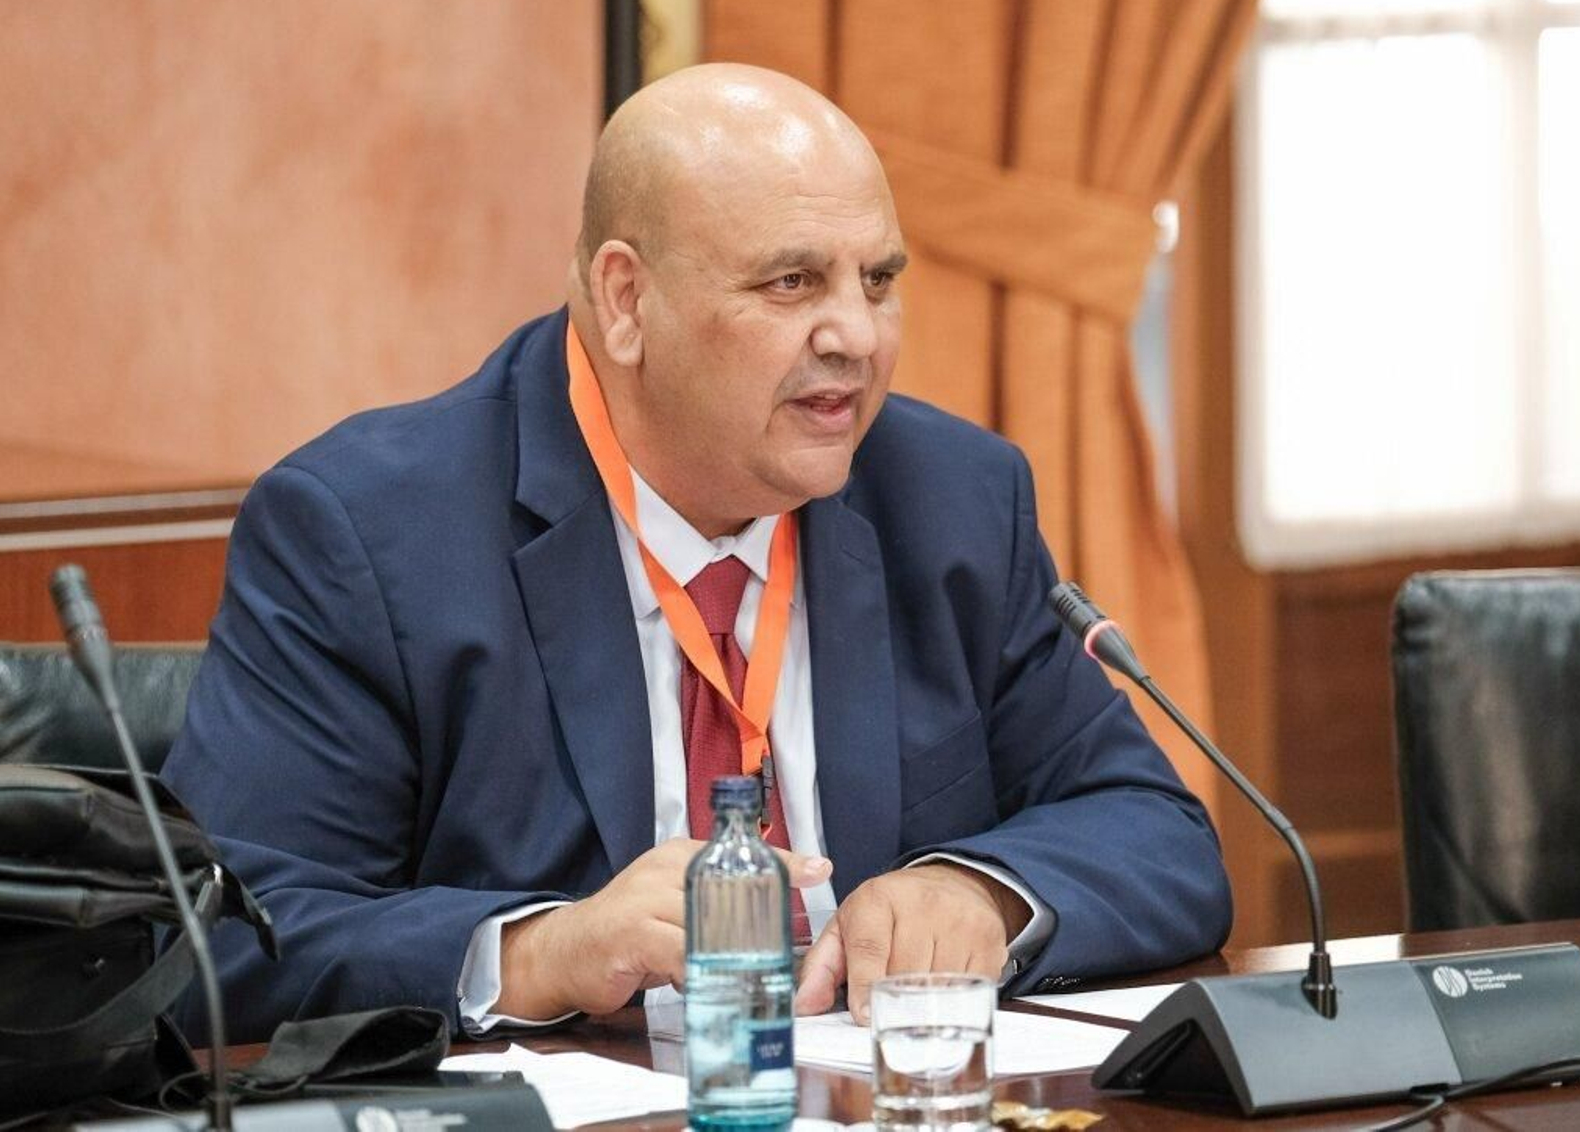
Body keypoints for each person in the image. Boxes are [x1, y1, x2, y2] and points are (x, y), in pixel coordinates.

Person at [162, 63, 1231, 1043]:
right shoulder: (370, 532)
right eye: (791, 283)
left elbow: (1160, 835)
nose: (856, 336)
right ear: (628, 300)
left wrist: (977, 890)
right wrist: (538, 953)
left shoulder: (952, 499)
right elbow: (208, 941)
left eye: (877, 280)